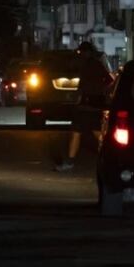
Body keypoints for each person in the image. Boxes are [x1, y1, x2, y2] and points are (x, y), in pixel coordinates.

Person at [54, 41, 113, 172]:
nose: (79, 55)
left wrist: (87, 94)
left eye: (81, 52)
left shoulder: (88, 64)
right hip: (94, 104)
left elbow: (83, 86)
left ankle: (70, 162)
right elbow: (110, 81)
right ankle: (112, 157)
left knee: (80, 132)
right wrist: (102, 92)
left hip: (86, 105)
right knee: (92, 131)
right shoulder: (96, 64)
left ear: (86, 52)